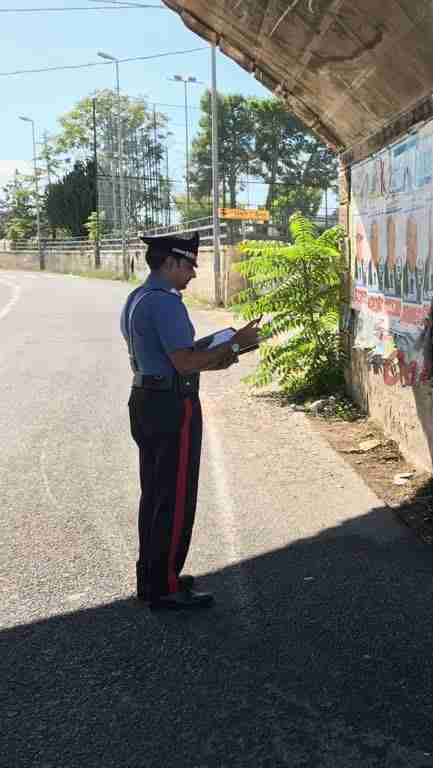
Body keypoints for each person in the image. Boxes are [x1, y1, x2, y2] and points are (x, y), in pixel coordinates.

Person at [119, 232, 261, 611]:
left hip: (146, 398)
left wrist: (218, 350)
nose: (193, 275)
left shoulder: (138, 298)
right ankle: (165, 586)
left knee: (155, 494)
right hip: (171, 405)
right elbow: (184, 362)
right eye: (189, 266)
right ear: (170, 263)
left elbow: (176, 355)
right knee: (176, 497)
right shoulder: (166, 304)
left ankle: (153, 577)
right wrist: (236, 343)